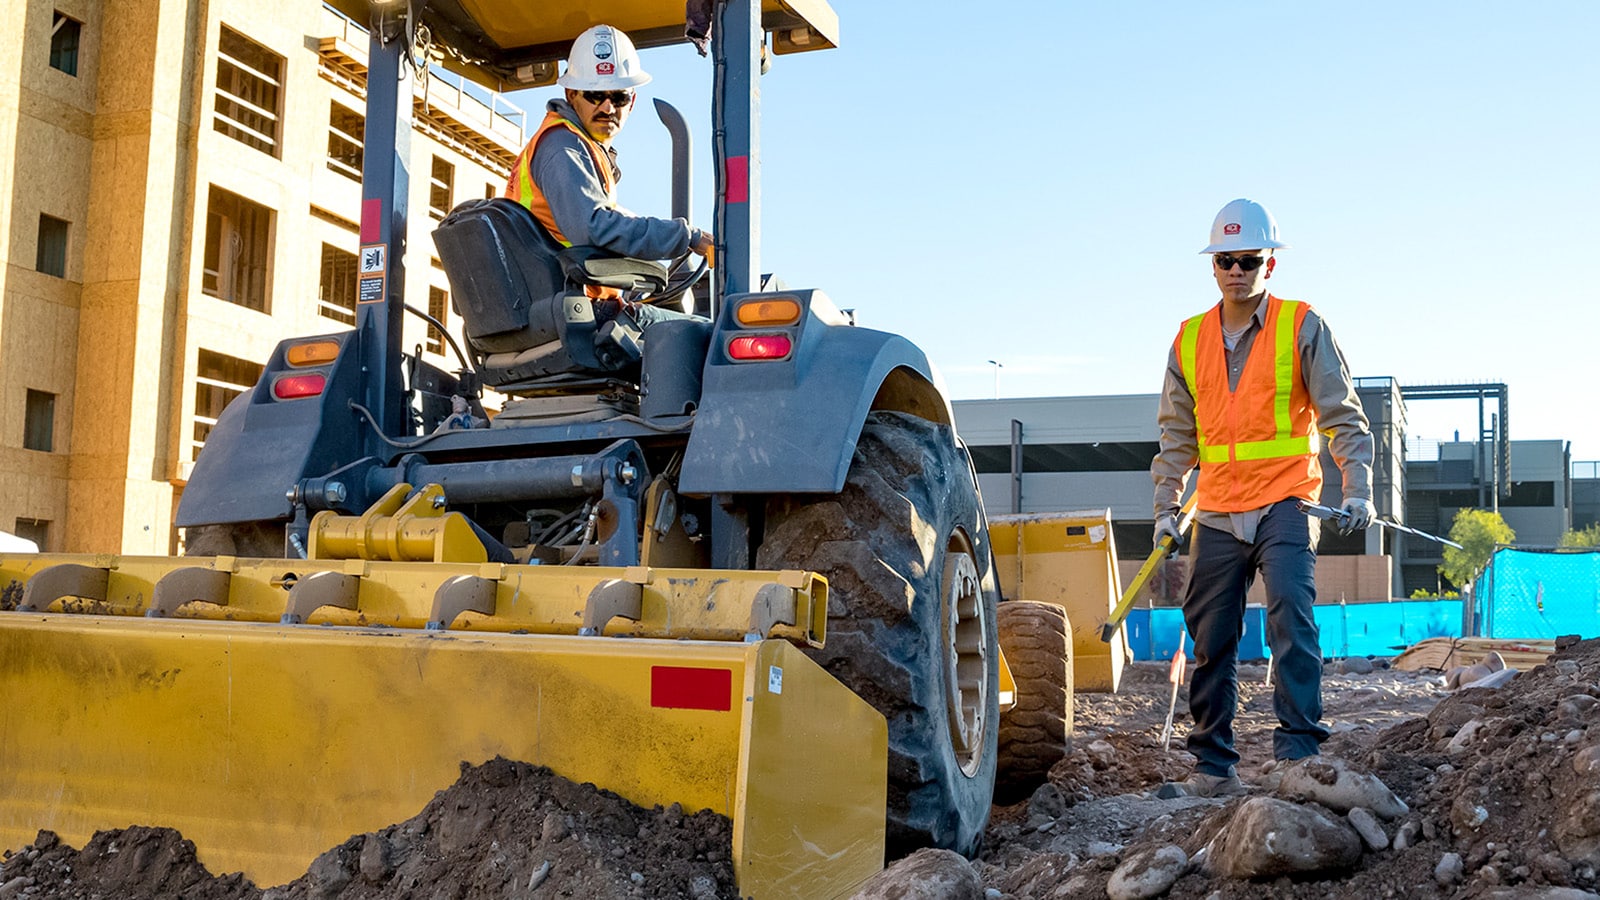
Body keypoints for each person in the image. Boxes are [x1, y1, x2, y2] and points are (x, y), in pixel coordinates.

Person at [1151, 198, 1376, 797]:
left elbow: (1343, 418)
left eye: (1248, 260)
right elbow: (1176, 437)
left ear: (1268, 264)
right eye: (1226, 260)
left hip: (1286, 502)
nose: (1236, 271)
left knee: (1290, 620)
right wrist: (1166, 509)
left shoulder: (1301, 325)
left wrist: (1358, 490)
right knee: (1210, 636)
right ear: (1214, 265)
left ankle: (1299, 751)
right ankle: (1212, 764)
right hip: (1219, 511)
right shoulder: (1188, 339)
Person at [504, 24, 712, 328]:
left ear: (633, 102)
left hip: (558, 307)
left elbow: (598, 222)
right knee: (698, 334)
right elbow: (593, 228)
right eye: (595, 95)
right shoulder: (563, 146)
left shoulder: (575, 148)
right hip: (577, 313)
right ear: (571, 93)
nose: (607, 107)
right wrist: (687, 237)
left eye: (618, 98)